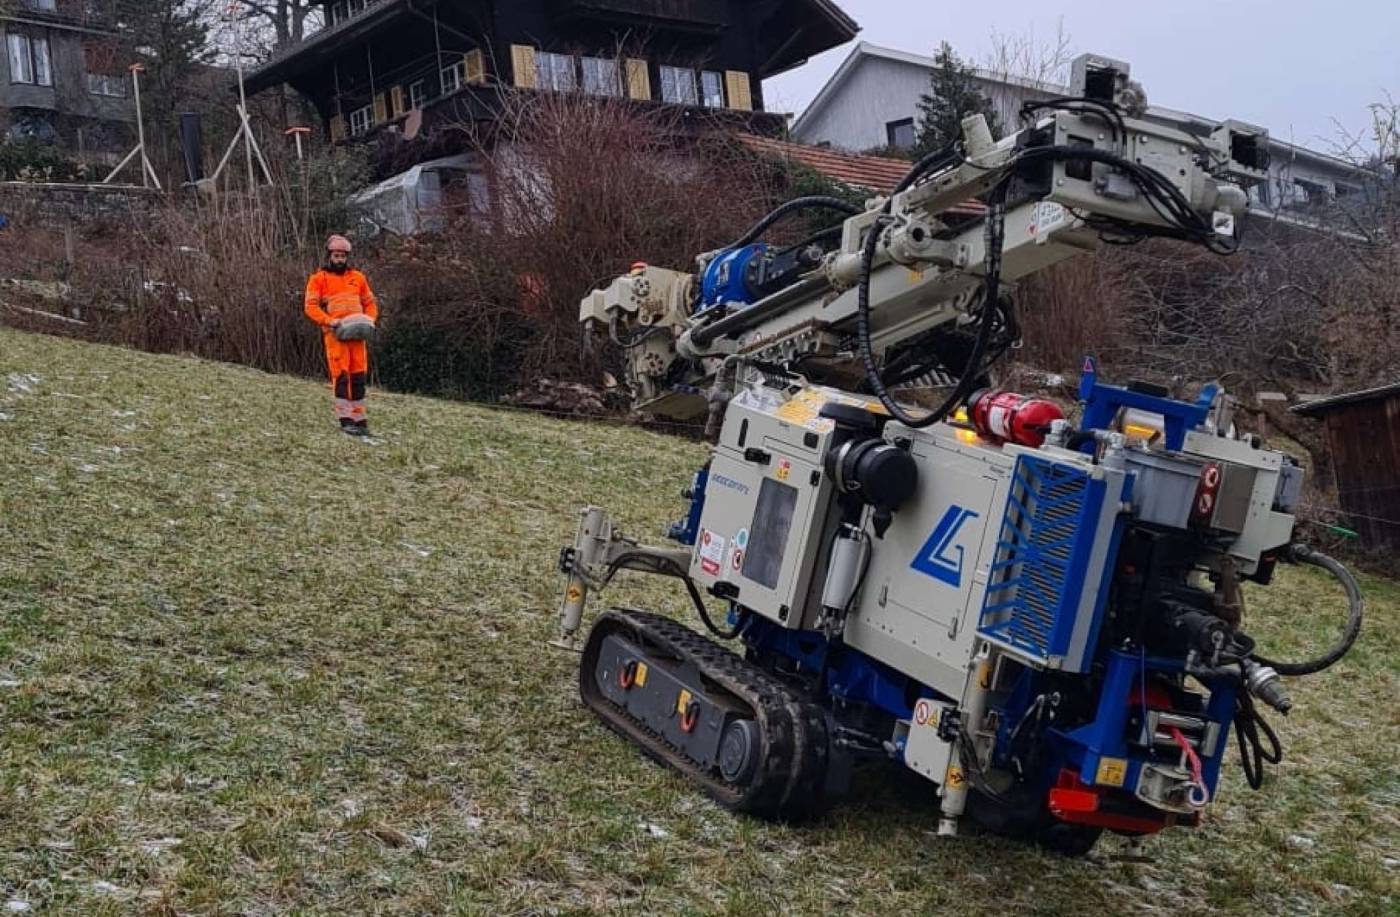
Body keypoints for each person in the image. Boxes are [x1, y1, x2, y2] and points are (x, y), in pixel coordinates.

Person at [304, 234, 379, 436]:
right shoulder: (318, 279)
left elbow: (370, 303)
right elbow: (310, 307)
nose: (340, 260)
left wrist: (369, 319)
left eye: (343, 256)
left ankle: (360, 418)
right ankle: (345, 419)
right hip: (335, 334)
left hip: (357, 333)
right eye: (336, 256)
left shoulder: (358, 278)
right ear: (329, 256)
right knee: (341, 375)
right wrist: (329, 321)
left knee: (359, 376)